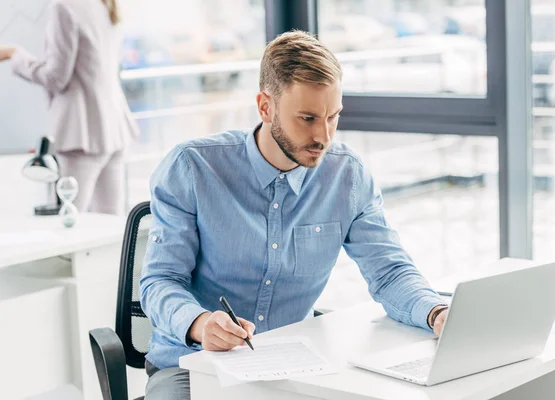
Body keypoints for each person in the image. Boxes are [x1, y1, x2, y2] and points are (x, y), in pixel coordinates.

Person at [140, 31, 449, 399]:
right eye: (307, 118)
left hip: (293, 371)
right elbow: (160, 281)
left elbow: (390, 272)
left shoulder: (346, 175)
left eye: (333, 117)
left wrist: (436, 312)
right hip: (191, 366)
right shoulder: (192, 168)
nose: (324, 136)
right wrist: (200, 323)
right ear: (265, 106)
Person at [0, 0, 138, 215]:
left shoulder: (64, 7)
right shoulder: (104, 3)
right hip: (113, 126)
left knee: (68, 219)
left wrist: (14, 54)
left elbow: (55, 78)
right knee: (110, 222)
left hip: (82, 133)